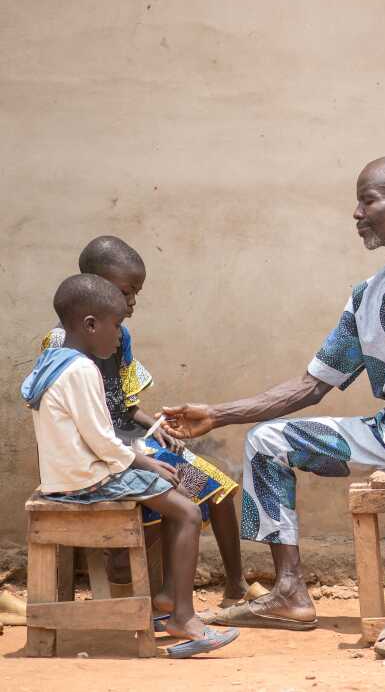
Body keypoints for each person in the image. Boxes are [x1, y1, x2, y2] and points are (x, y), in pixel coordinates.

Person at [161, 154, 385, 659]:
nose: (357, 213)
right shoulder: (366, 296)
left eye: (368, 201)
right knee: (268, 441)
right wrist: (219, 414)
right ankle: (288, 593)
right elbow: (312, 384)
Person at [21, 274, 239, 658]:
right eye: (117, 324)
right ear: (91, 324)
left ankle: (169, 599)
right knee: (187, 508)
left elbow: (104, 426)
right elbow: (102, 439)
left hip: (71, 473)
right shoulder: (83, 369)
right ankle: (182, 616)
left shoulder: (53, 360)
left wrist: (146, 450)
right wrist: (146, 463)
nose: (120, 334)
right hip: (89, 478)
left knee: (180, 488)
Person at [41, 236, 264, 609]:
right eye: (125, 292)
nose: (130, 304)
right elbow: (76, 420)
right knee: (176, 488)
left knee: (219, 489)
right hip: (106, 453)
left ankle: (234, 586)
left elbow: (127, 406)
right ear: (95, 283)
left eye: (135, 295)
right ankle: (149, 588)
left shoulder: (119, 336)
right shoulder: (62, 343)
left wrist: (156, 426)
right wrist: (138, 449)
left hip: (130, 441)